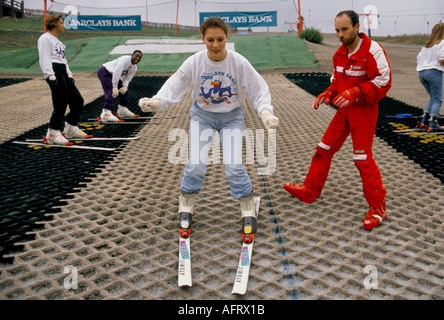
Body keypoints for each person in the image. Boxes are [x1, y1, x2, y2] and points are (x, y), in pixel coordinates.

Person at [138, 17, 279, 242]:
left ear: (227, 38)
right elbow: (176, 84)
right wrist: (158, 101)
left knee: (233, 166)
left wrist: (265, 112)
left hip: (231, 117)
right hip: (202, 117)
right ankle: (186, 204)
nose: (215, 45)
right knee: (196, 165)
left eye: (220, 39)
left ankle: (247, 205)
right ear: (202, 38)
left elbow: (258, 88)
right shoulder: (195, 62)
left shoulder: (238, 62)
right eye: (210, 39)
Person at [283, 10, 392, 230]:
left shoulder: (373, 50)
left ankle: (378, 208)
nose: (340, 34)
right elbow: (337, 81)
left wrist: (356, 92)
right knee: (323, 149)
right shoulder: (339, 54)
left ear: (356, 27)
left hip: (364, 111)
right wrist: (328, 93)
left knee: (361, 158)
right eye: (337, 30)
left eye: (345, 29)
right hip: (344, 111)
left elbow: (384, 81)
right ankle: (310, 190)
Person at [37, 14, 90, 145]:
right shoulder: (45, 38)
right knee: (61, 103)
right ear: (54, 24)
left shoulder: (58, 41)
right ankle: (53, 133)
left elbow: (63, 60)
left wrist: (69, 75)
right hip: (54, 71)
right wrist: (51, 76)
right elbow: (45, 58)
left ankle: (71, 128)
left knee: (77, 100)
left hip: (63, 71)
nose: (63, 25)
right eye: (61, 23)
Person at [97, 50, 143, 122]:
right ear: (132, 55)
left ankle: (122, 110)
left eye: (140, 58)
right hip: (105, 72)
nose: (137, 58)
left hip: (113, 75)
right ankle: (106, 114)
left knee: (124, 91)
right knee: (110, 92)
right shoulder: (125, 60)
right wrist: (114, 87)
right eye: (136, 56)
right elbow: (117, 72)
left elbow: (127, 78)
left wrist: (125, 86)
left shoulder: (134, 68)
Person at [416, 22, 444, 131]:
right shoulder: (442, 43)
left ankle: (424, 120)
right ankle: (433, 123)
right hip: (434, 72)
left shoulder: (427, 44)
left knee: (433, 97)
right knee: (438, 99)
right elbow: (442, 59)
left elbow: (418, 58)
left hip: (422, 73)